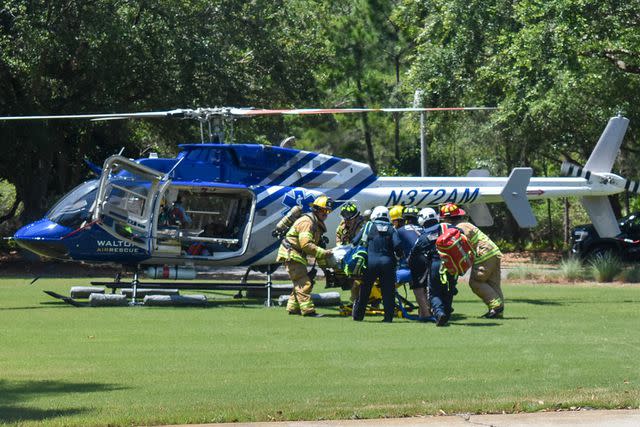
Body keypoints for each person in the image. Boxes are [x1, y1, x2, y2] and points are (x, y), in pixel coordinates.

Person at [439, 202, 504, 318]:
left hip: (484, 255)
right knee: (492, 283)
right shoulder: (465, 224)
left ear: (448, 219)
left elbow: (457, 246)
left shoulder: (460, 227)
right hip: (493, 253)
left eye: (444, 219)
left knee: (476, 282)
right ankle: (497, 312)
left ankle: (496, 306)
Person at [276, 195, 333, 317]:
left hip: (296, 253)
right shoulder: (307, 222)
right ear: (316, 209)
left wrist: (325, 267)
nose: (326, 214)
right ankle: (308, 311)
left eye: (328, 211)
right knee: (304, 282)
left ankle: (293, 307)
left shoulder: (316, 222)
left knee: (299, 282)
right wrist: (324, 253)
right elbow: (306, 245)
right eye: (323, 210)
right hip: (292, 253)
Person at [352, 206, 403, 323]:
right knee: (388, 291)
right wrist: (400, 256)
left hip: (370, 263)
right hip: (388, 263)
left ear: (374, 215)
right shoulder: (391, 228)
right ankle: (388, 318)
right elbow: (398, 246)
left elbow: (355, 241)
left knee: (365, 289)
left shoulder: (368, 226)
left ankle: (359, 316)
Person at [408, 208, 458, 326]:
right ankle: (446, 313)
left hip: (436, 264)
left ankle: (439, 313)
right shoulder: (447, 229)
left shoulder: (424, 237)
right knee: (449, 290)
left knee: (434, 292)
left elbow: (413, 255)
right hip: (451, 265)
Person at [396, 206, 432, 320]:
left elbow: (396, 248)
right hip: (430, 262)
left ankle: (425, 315)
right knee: (425, 287)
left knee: (417, 288)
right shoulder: (424, 229)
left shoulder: (400, 231)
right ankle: (425, 311)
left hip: (412, 265)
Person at [335, 201, 366, 302]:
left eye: (350, 220)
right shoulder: (342, 227)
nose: (347, 222)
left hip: (364, 255)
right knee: (355, 281)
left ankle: (372, 302)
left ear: (356, 217)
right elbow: (339, 241)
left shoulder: (364, 226)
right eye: (345, 219)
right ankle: (355, 302)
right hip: (351, 256)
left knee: (363, 281)